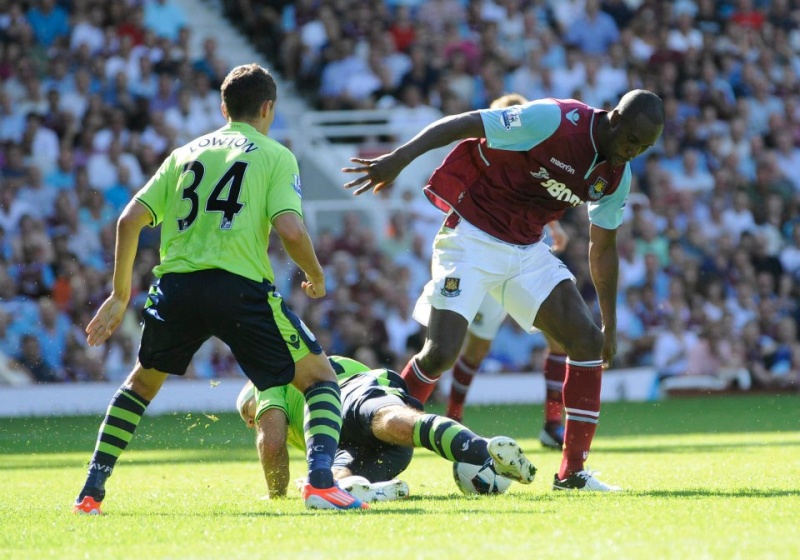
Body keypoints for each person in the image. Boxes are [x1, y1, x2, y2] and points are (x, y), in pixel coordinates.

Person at [74, 63, 367, 514]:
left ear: (223, 107)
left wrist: (118, 294)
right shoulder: (275, 154)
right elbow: (289, 228)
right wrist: (317, 275)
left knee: (140, 385)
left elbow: (129, 219)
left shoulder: (184, 153)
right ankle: (323, 481)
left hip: (176, 286)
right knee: (320, 379)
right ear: (268, 107)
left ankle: (91, 490)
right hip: (239, 289)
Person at [343, 89, 664, 491]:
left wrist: (610, 327)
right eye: (632, 140)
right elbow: (466, 123)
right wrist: (399, 159)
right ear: (614, 118)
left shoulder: (618, 175)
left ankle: (572, 474)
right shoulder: (553, 120)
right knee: (441, 353)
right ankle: (370, 430)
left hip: (527, 252)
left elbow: (604, 248)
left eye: (645, 147)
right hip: (471, 239)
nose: (634, 151)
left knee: (586, 341)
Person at [444, 94, 571, 451]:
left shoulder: (533, 157)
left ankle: (552, 422)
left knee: (558, 337)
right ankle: (452, 418)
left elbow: (534, 197)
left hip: (518, 259)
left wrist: (553, 227)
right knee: (471, 348)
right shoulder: (487, 153)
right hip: (481, 257)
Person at [237, 355, 537, 502]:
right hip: (367, 444)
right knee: (332, 485)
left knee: (391, 419)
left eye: (247, 414)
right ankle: (375, 493)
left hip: (350, 392)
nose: (252, 422)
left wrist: (276, 494)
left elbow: (271, 441)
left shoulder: (269, 380)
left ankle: (482, 451)